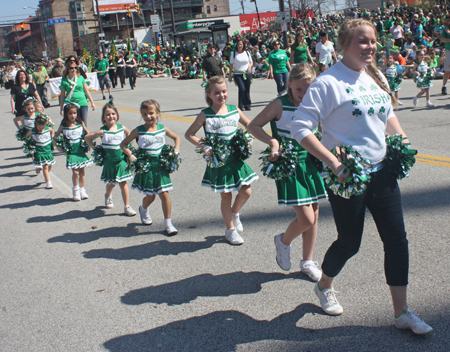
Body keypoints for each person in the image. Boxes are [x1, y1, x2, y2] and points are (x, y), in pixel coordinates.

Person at [290, 19, 433, 335]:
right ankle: (325, 284)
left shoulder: (376, 76)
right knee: (349, 243)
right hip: (347, 178)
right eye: (362, 41)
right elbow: (300, 127)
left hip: (382, 173)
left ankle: (402, 312)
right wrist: (333, 163)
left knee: (397, 241)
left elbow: (388, 115)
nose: (370, 47)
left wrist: (403, 141)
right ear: (344, 44)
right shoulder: (327, 83)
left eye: (373, 41)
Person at [247, 63, 327, 281]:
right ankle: (283, 241)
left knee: (315, 214)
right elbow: (253, 126)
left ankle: (307, 261)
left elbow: (322, 130)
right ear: (289, 84)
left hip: (311, 163)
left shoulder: (314, 104)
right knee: (306, 219)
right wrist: (273, 141)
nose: (303, 94)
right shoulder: (279, 105)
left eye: (309, 89)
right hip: (290, 165)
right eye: (299, 89)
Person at [185, 76, 258, 245]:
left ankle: (234, 213)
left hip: (236, 158)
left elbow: (251, 126)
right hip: (220, 161)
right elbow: (189, 134)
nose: (221, 95)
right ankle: (230, 230)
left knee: (246, 191)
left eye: (224, 91)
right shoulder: (205, 114)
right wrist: (204, 146)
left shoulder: (234, 109)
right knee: (226, 196)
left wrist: (248, 138)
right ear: (209, 95)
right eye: (217, 93)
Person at [120, 100, 181, 235]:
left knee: (164, 194)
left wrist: (175, 151)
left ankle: (168, 223)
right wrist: (131, 156)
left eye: (151, 113)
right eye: (145, 114)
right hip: (146, 167)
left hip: (160, 167)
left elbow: (176, 137)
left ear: (157, 113)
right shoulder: (138, 131)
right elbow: (123, 144)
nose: (148, 116)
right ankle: (143, 208)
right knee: (151, 196)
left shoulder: (162, 128)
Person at [85, 103, 136, 216]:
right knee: (112, 183)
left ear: (117, 115)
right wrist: (95, 148)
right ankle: (108, 195)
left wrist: (128, 148)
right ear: (104, 117)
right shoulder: (102, 131)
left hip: (121, 161)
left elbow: (130, 134)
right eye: (107, 114)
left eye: (113, 114)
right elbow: (87, 137)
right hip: (109, 163)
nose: (111, 116)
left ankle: (127, 207)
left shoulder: (122, 128)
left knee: (123, 183)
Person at [54, 103, 93, 201]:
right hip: (71, 152)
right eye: (70, 113)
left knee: (82, 171)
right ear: (66, 114)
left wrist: (90, 143)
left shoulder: (80, 124)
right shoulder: (63, 126)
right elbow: (56, 136)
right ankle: (75, 190)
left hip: (80, 150)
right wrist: (58, 146)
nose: (73, 116)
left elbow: (88, 134)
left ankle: (82, 190)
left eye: (75, 113)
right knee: (75, 172)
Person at [59, 60, 95, 125]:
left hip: (82, 103)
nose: (74, 69)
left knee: (83, 123)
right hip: (72, 104)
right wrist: (61, 108)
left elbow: (86, 91)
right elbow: (62, 95)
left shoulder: (80, 78)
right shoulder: (64, 80)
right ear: (68, 69)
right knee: (73, 123)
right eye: (71, 68)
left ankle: (84, 135)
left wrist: (92, 102)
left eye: (75, 68)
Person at [24, 114, 55, 189]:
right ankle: (48, 182)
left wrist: (52, 138)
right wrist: (29, 142)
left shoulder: (48, 128)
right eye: (39, 127)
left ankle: (46, 173)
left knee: (50, 165)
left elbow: (52, 131)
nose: (41, 129)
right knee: (45, 166)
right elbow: (27, 136)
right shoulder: (33, 130)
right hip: (40, 152)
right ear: (36, 124)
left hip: (47, 150)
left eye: (42, 127)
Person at [228, 39, 253, 111]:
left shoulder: (247, 53)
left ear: (243, 45)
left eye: (241, 44)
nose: (240, 46)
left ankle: (247, 105)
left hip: (246, 73)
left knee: (247, 89)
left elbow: (251, 62)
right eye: (238, 44)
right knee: (242, 89)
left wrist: (249, 67)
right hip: (237, 74)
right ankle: (240, 105)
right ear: (236, 45)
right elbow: (231, 65)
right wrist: (230, 75)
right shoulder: (234, 54)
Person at [439, 17, 450, 94]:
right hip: (449, 51)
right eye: (447, 20)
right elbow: (442, 39)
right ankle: (444, 86)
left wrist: (449, 33)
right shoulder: (445, 29)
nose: (448, 21)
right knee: (447, 70)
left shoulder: (447, 30)